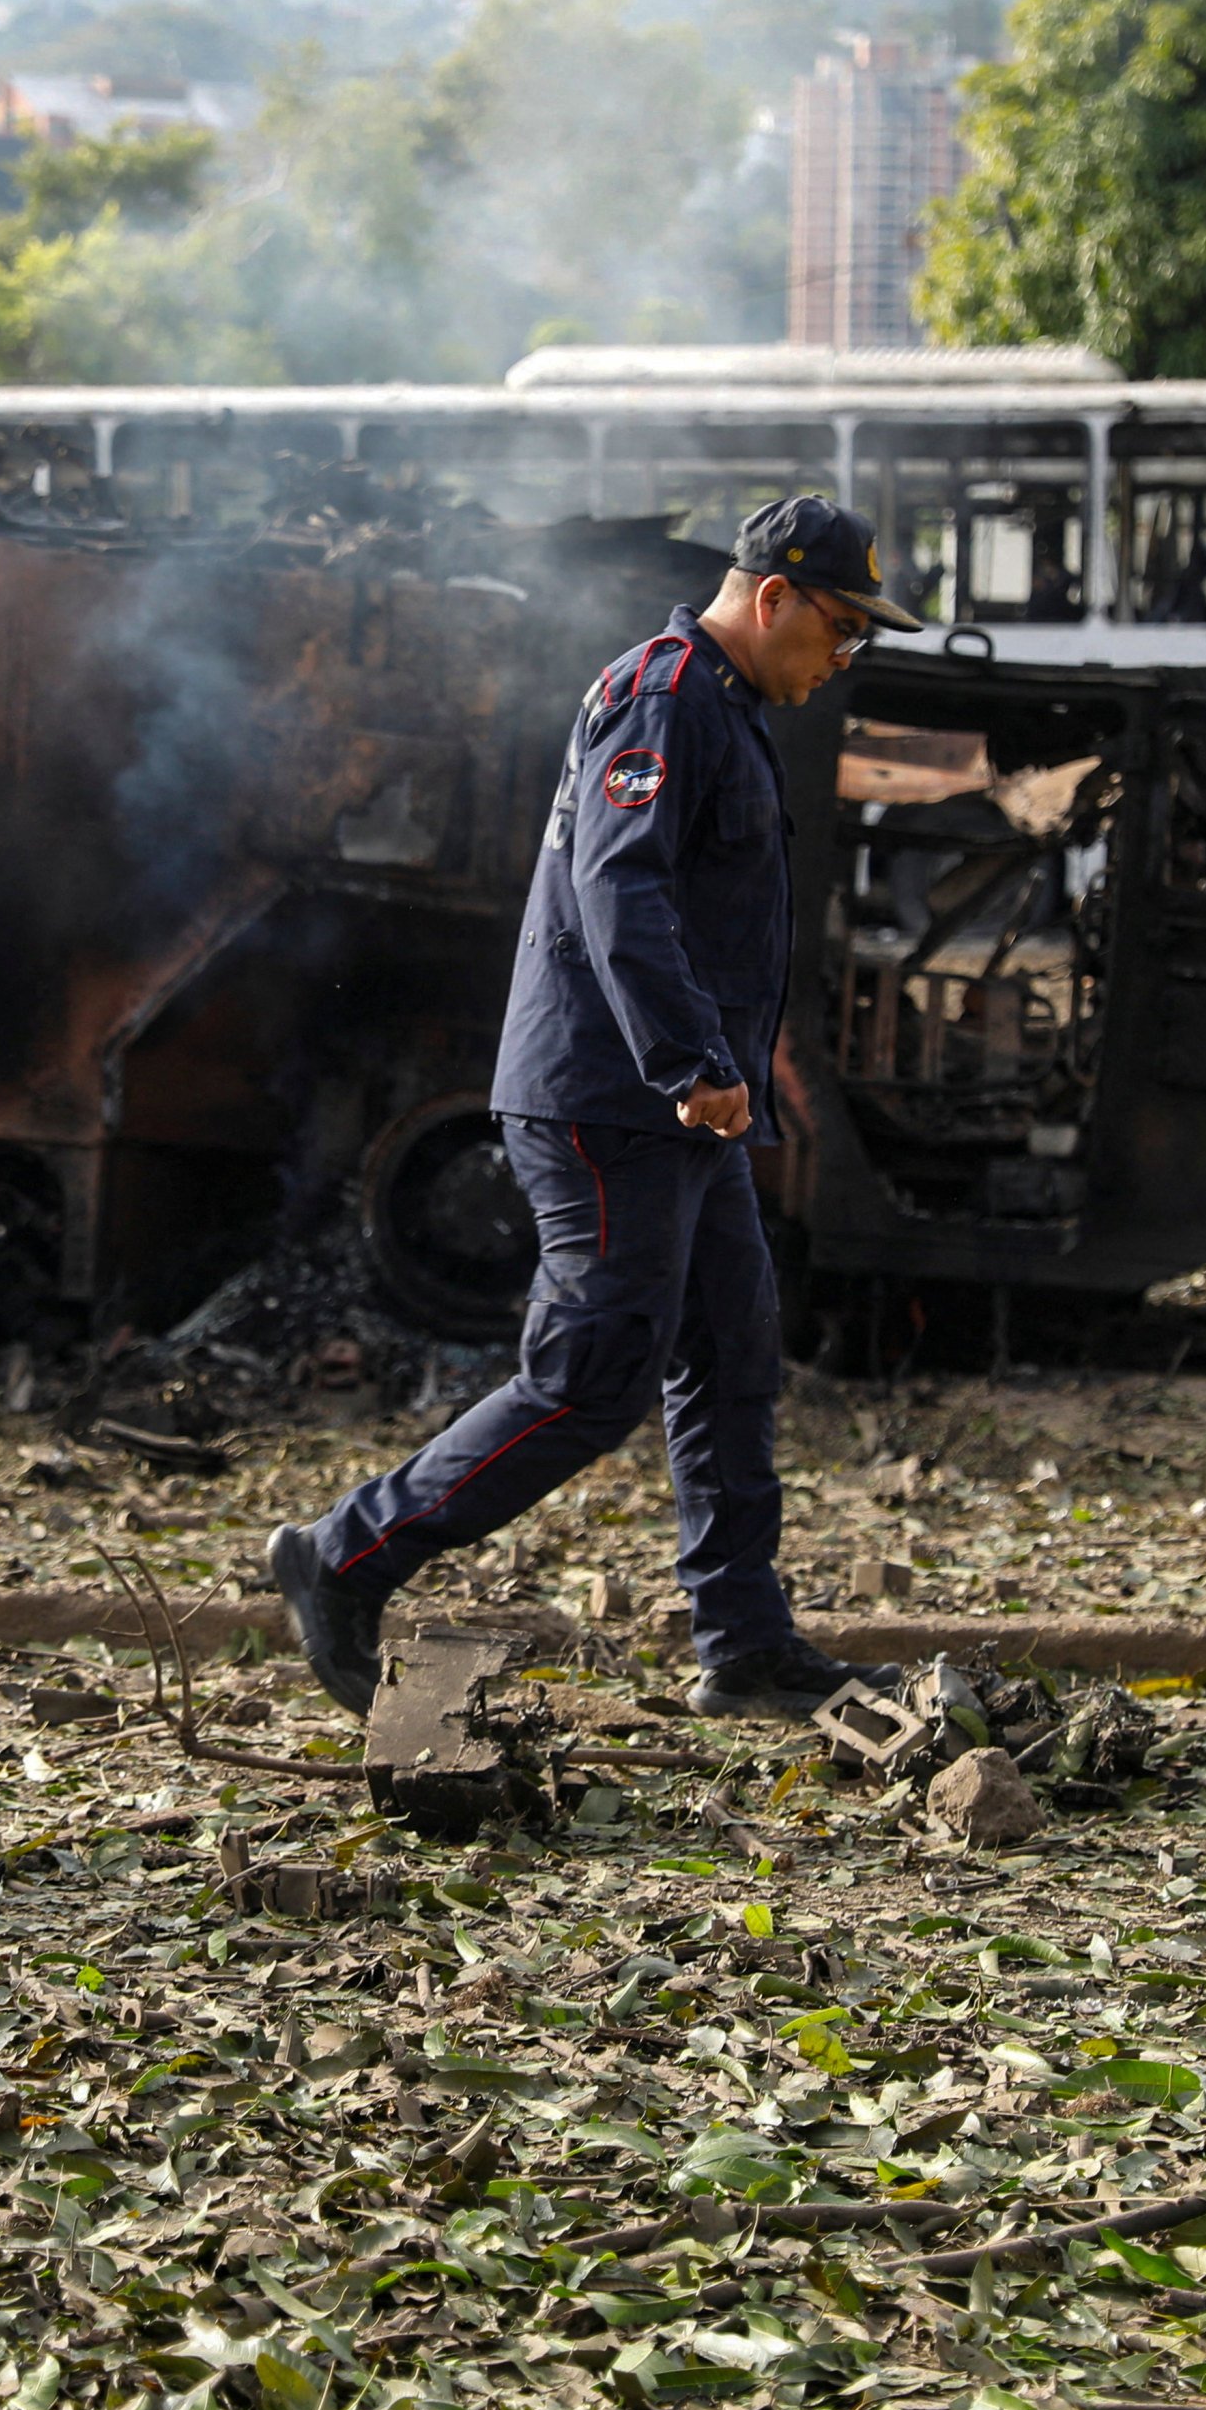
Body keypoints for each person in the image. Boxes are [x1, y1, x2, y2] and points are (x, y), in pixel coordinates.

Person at [270, 495, 920, 1720]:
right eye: (841, 630)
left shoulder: (719, 703)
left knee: (731, 1352)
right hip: (619, 1101)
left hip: (676, 1107)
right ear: (772, 597)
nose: (845, 659)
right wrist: (691, 1063)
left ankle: (744, 1645)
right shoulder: (666, 694)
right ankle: (344, 1555)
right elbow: (620, 887)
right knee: (589, 1380)